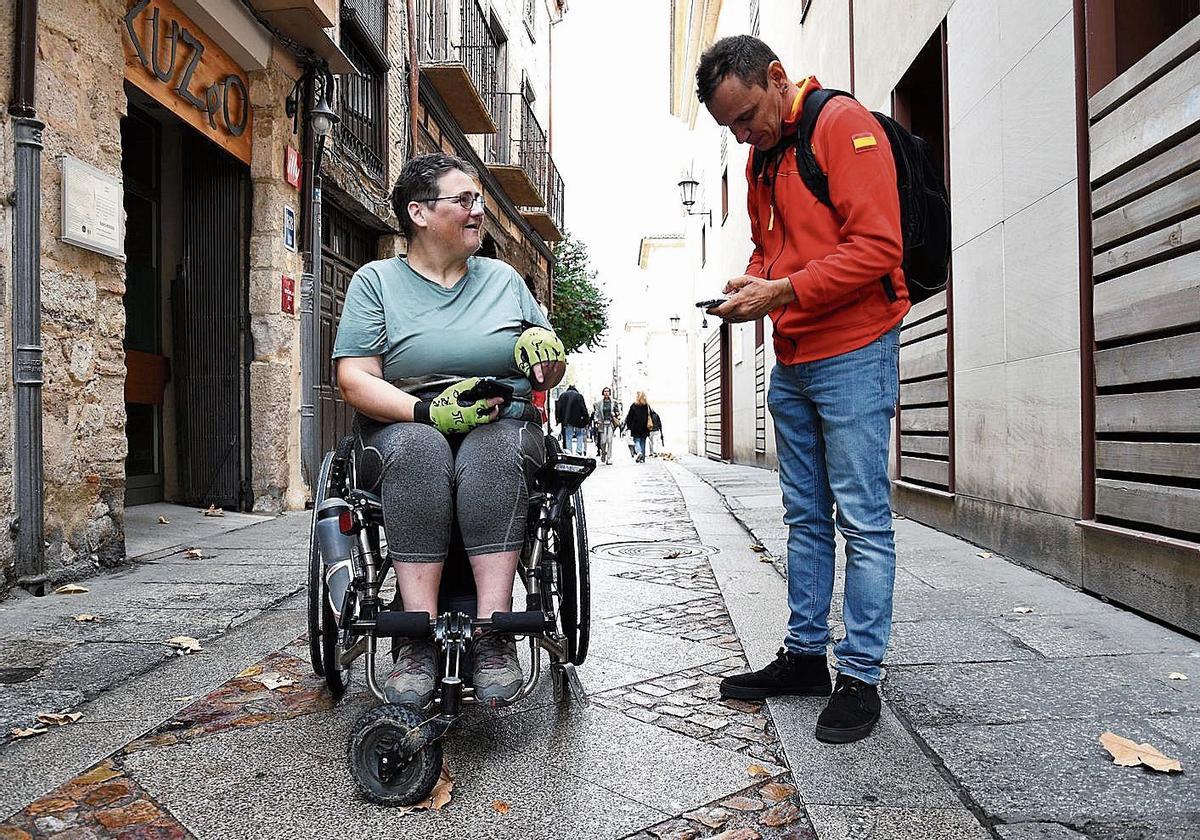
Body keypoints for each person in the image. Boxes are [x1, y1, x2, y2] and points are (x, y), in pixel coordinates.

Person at [696, 36, 908, 744]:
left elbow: (879, 247)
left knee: (863, 521)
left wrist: (782, 289)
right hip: (793, 355)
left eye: (749, 116)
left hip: (853, 350)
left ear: (778, 78)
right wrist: (751, 283)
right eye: (731, 128)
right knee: (806, 519)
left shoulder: (841, 125)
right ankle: (804, 656)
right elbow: (771, 246)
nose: (744, 134)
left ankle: (860, 675)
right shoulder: (763, 157)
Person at [332, 153, 566, 708]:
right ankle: (415, 636)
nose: (478, 211)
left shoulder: (505, 280)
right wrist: (425, 414)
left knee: (494, 452)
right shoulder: (377, 282)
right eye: (464, 201)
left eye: (479, 200)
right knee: (418, 450)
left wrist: (547, 356)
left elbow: (548, 364)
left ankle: (493, 632)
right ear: (418, 212)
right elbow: (353, 376)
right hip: (408, 420)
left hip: (501, 419)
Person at [555, 384, 591, 455]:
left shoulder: (562, 396)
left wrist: (558, 419)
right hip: (579, 420)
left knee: (568, 436)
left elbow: (558, 408)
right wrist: (586, 419)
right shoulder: (579, 396)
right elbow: (583, 408)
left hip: (567, 420)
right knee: (579, 435)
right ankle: (579, 451)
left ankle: (569, 452)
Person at [593, 387, 619, 465]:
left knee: (610, 440)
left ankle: (609, 458)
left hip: (610, 423)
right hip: (602, 424)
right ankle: (603, 453)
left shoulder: (614, 403)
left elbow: (618, 412)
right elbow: (596, 413)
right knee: (603, 441)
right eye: (605, 391)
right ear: (603, 393)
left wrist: (616, 414)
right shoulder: (599, 403)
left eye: (608, 391)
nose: (606, 393)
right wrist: (596, 420)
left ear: (610, 393)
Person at [624, 392, 652, 463]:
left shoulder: (634, 405)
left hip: (635, 427)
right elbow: (650, 415)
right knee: (643, 441)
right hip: (644, 427)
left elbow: (629, 417)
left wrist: (629, 426)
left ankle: (639, 452)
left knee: (637, 440)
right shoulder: (646, 406)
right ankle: (642, 458)